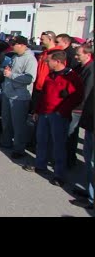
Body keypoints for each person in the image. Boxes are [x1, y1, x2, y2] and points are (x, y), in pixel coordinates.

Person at [23, 50, 83, 187]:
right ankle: (40, 165)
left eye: (48, 61)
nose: (46, 63)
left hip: (59, 115)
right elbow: (43, 95)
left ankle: (59, 174)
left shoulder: (71, 76)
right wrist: (37, 110)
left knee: (59, 145)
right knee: (42, 141)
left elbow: (78, 96)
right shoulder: (50, 76)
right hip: (44, 113)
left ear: (57, 61)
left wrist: (62, 111)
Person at [0, 36, 38, 158]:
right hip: (8, 93)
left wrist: (11, 75)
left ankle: (19, 149)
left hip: (20, 97)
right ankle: (6, 142)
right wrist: (6, 70)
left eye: (14, 44)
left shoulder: (30, 59)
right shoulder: (15, 57)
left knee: (19, 124)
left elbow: (30, 78)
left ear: (22, 45)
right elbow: (10, 70)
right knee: (6, 121)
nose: (12, 46)